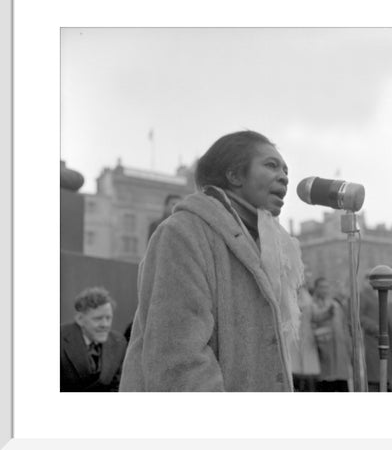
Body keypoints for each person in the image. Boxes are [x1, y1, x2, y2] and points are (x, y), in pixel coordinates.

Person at [120, 130, 304, 392]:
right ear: (234, 175)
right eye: (271, 165)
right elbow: (178, 359)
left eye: (286, 169)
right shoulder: (182, 232)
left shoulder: (267, 246)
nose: (284, 177)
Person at [60, 287, 127, 392]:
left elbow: (117, 386)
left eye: (108, 318)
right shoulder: (60, 339)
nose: (105, 325)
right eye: (98, 319)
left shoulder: (119, 342)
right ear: (80, 319)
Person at [311, 277, 352, 391]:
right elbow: (314, 318)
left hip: (340, 351)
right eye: (322, 287)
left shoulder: (336, 305)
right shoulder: (311, 304)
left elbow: (344, 327)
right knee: (326, 384)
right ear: (316, 289)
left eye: (327, 287)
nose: (325, 290)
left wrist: (349, 348)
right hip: (323, 352)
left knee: (342, 384)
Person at [359, 273, 392, 391]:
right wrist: (375, 327)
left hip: (387, 336)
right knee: (375, 375)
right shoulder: (363, 295)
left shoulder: (381, 293)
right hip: (373, 338)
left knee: (387, 373)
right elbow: (360, 316)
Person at [290, 284, 322, 391]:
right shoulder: (289, 298)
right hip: (293, 336)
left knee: (309, 368)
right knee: (293, 365)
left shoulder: (309, 302)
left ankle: (308, 389)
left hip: (307, 337)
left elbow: (317, 316)